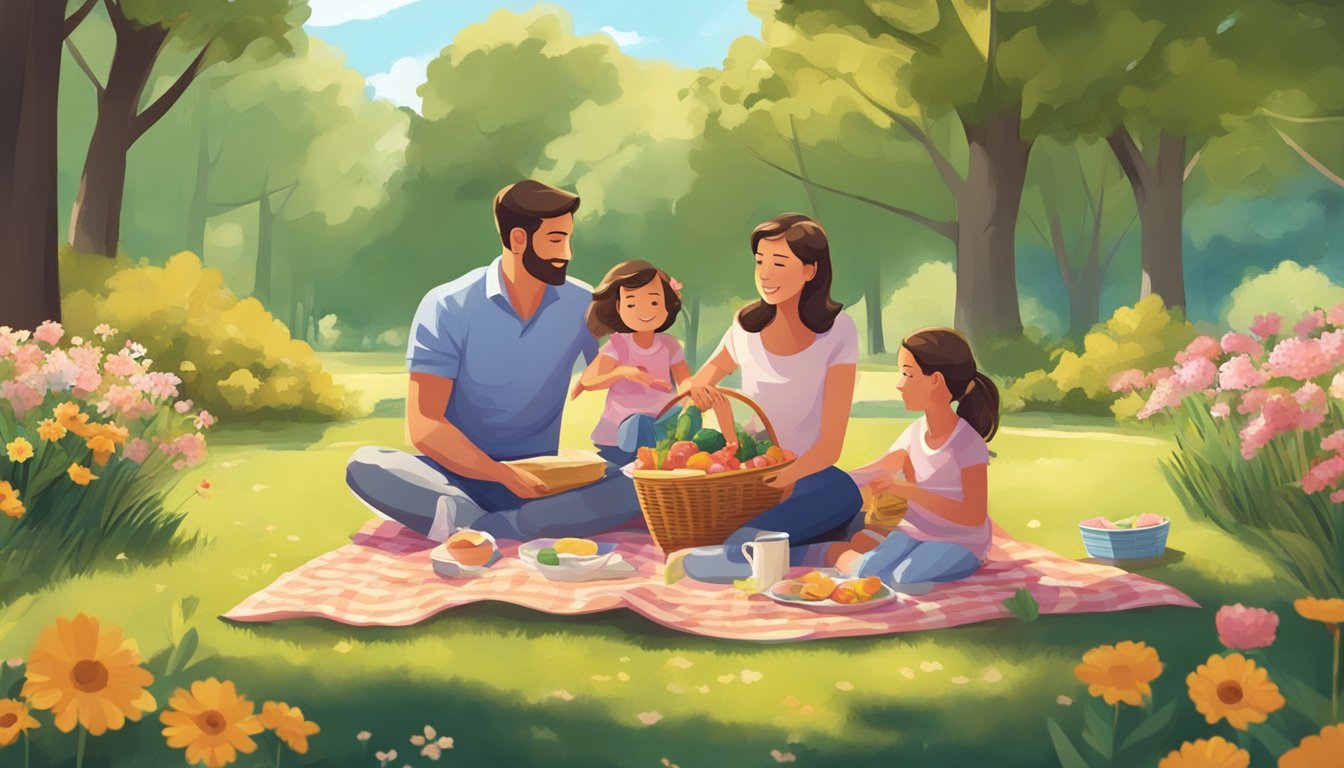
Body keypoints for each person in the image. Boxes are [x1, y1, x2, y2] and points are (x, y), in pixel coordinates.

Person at [345, 180, 641, 542]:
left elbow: (634, 352)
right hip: (455, 474)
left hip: (543, 477)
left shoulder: (582, 305)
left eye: (567, 238)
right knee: (368, 465)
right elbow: (424, 425)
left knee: (637, 482)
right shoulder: (447, 306)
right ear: (518, 239)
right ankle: (519, 522)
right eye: (555, 240)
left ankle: (482, 525)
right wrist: (502, 475)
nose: (567, 252)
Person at [677, 213, 863, 583]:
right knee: (763, 532)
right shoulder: (746, 326)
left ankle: (738, 555)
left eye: (779, 263)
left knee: (841, 492)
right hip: (752, 473)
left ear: (810, 271)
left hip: (810, 473)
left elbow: (830, 446)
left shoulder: (838, 331)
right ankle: (808, 551)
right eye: (760, 261)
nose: (765, 273)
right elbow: (701, 383)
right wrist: (700, 392)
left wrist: (788, 479)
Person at [834, 328, 1000, 592]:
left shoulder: (968, 443)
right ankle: (839, 559)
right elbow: (881, 466)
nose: (900, 384)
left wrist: (908, 490)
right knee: (868, 571)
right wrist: (833, 481)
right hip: (914, 534)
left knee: (904, 577)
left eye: (907, 374)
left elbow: (974, 514)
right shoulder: (913, 433)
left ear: (935, 379)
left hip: (960, 542)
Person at [571, 260, 692, 466]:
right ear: (619, 307)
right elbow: (589, 380)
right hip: (621, 433)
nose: (643, 312)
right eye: (631, 304)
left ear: (667, 304)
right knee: (637, 425)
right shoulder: (619, 345)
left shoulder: (670, 346)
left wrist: (689, 397)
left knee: (680, 421)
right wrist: (624, 372)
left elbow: (686, 381)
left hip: (661, 426)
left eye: (654, 302)